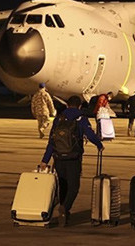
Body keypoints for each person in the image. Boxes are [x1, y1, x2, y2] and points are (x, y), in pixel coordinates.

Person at [40, 95, 104, 226]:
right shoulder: (81, 118)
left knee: (63, 186)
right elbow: (90, 134)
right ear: (79, 106)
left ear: (67, 105)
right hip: (73, 158)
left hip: (58, 158)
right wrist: (99, 144)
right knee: (74, 187)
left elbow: (52, 141)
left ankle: (64, 214)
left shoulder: (59, 118)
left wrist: (45, 160)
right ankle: (65, 208)